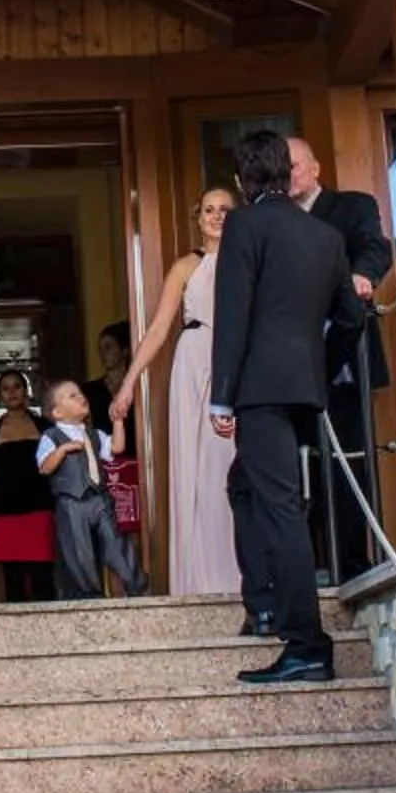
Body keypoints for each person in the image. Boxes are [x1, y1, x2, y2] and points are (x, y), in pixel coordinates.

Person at [210, 130, 362, 685]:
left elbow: (234, 312)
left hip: (260, 389)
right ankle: (265, 601)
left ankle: (307, 644)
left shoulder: (245, 225)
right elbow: (351, 316)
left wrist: (221, 394)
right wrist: (315, 364)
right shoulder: (324, 235)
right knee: (245, 486)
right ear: (285, 172)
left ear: (241, 181)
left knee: (279, 506)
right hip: (303, 385)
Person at [114, 188, 236, 600]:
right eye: (209, 210)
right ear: (197, 217)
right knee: (197, 469)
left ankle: (240, 573)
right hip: (195, 360)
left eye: (225, 210)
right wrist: (129, 383)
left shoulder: (249, 258)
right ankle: (198, 579)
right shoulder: (186, 265)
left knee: (233, 467)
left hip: (236, 363)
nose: (217, 217)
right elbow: (158, 329)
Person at [289, 138, 391, 576]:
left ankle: (351, 562)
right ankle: (307, 565)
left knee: (350, 458)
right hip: (292, 362)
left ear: (314, 167)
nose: (288, 173)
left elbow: (375, 247)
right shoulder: (271, 220)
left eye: (294, 165)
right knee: (299, 464)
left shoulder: (352, 206)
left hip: (345, 354)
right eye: (282, 167)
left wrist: (361, 276)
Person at [37, 378, 149, 600]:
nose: (81, 397)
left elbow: (116, 447)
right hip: (71, 501)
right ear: (58, 412)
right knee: (79, 550)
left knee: (115, 541)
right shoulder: (51, 437)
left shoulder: (94, 434)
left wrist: (117, 421)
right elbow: (44, 467)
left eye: (79, 393)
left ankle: (136, 584)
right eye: (72, 396)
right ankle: (88, 594)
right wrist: (62, 451)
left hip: (98, 497)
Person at [0, 368, 56, 603]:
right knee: (13, 578)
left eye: (17, 386)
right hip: (5, 512)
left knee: (43, 577)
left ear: (26, 391)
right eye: (5, 388)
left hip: (40, 509)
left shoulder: (45, 426)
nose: (12, 392)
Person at [79, 323, 136, 456]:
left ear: (125, 350)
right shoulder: (90, 390)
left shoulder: (138, 388)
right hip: (106, 460)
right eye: (100, 348)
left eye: (108, 347)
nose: (102, 353)